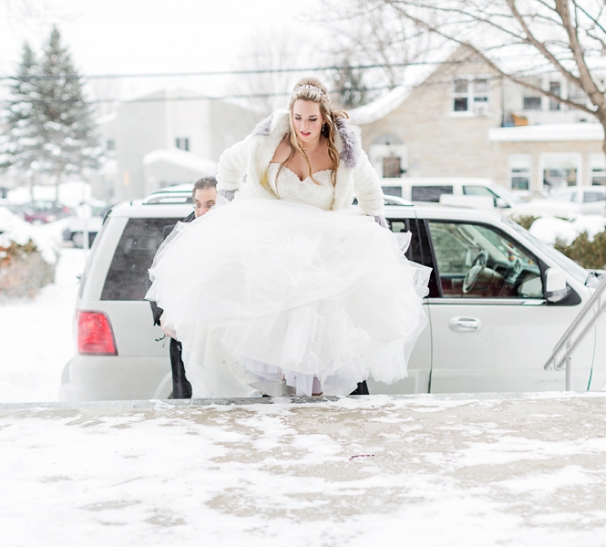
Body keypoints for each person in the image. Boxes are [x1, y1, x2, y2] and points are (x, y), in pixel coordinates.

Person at [146, 77, 431, 398]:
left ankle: (312, 395)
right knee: (251, 316)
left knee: (318, 328)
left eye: (311, 119)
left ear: (324, 118)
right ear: (289, 115)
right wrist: (227, 208)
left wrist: (375, 229)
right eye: (297, 118)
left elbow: (369, 191)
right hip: (269, 237)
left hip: (322, 242)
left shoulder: (344, 151)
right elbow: (228, 163)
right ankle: (268, 390)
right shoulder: (268, 140)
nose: (303, 126)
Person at [149, 176, 218, 398]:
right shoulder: (176, 234)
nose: (202, 212)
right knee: (187, 404)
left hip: (221, 339)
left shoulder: (241, 237)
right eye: (198, 204)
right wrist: (162, 315)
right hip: (184, 338)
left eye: (210, 205)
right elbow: (155, 279)